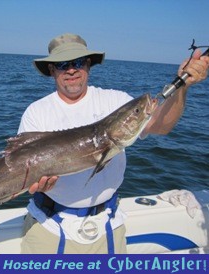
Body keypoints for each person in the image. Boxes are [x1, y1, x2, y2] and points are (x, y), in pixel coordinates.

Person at [20, 33, 209, 254]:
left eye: (78, 62)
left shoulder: (116, 101)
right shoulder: (36, 112)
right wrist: (33, 184)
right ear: (52, 70)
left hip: (107, 224)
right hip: (48, 226)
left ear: (88, 65)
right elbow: (26, 176)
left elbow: (161, 126)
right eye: (62, 64)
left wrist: (182, 87)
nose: (71, 70)